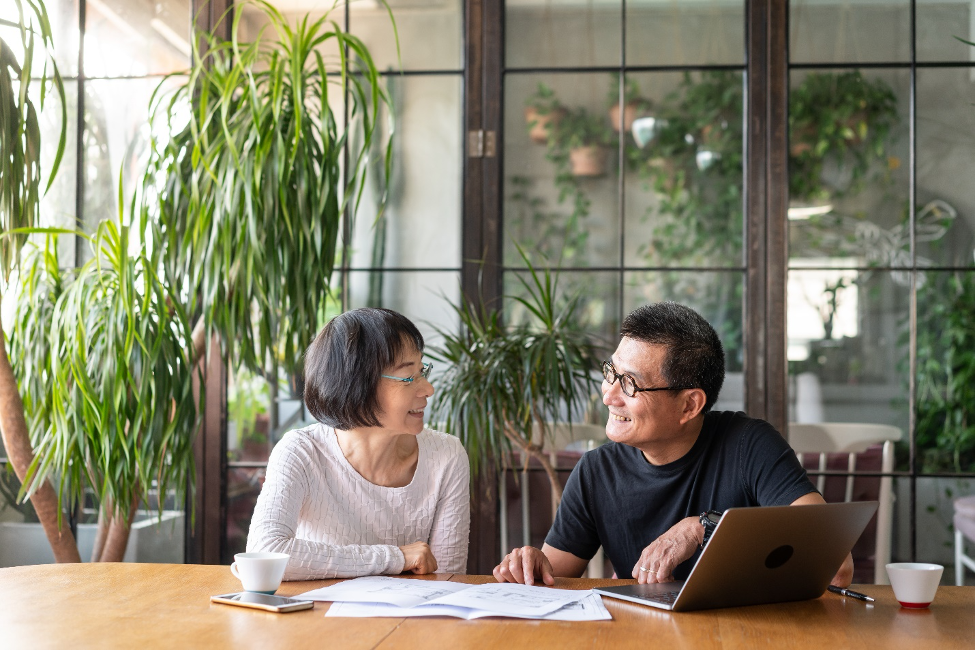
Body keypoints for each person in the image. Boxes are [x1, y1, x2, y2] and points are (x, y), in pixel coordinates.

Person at [493, 301, 854, 588]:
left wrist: (704, 527)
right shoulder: (596, 471)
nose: (609, 396)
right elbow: (554, 577)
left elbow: (835, 565)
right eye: (610, 373)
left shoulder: (748, 444)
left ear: (689, 405)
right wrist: (531, 566)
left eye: (630, 384)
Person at [247, 308, 470, 580]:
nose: (428, 389)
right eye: (409, 377)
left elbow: (448, 579)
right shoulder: (301, 452)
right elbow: (265, 552)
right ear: (357, 383)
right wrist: (395, 557)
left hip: (408, 621)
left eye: (422, 370)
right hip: (315, 618)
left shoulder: (446, 456)